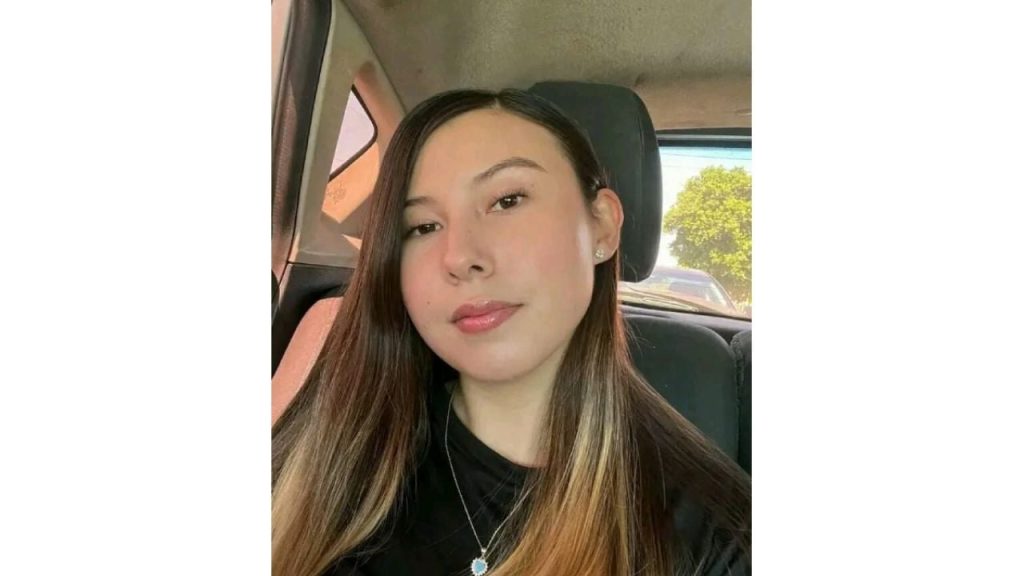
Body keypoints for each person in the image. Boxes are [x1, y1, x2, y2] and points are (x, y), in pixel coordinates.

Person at [272, 88, 751, 576]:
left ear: (602, 226)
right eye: (422, 226)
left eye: (507, 200)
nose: (460, 257)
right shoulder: (338, 431)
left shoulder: (715, 535)